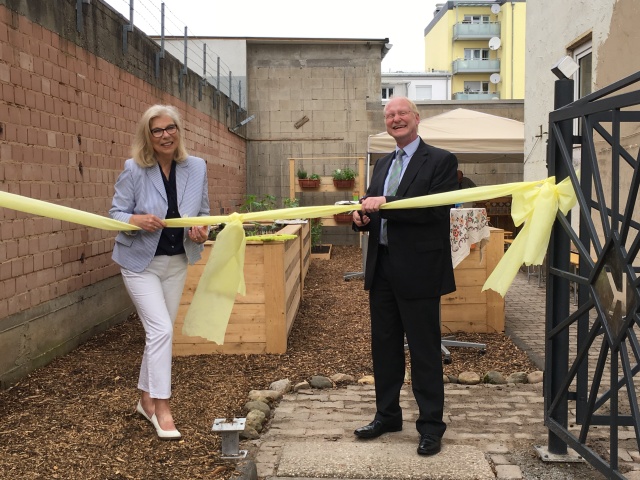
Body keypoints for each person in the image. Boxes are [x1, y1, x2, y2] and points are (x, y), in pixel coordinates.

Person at [352, 97, 458, 456]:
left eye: (401, 114)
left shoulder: (441, 160)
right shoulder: (382, 163)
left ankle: (430, 426)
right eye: (389, 115)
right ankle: (387, 415)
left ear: (416, 118)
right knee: (384, 347)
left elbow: (435, 210)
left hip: (420, 270)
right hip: (382, 268)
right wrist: (361, 219)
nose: (395, 119)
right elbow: (370, 204)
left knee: (425, 351)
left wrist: (386, 204)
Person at [110, 105, 210, 440]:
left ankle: (144, 400)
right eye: (157, 131)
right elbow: (116, 213)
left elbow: (203, 213)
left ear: (179, 131)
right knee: (162, 331)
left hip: (176, 262)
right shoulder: (135, 169)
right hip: (140, 263)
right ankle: (162, 408)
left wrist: (201, 230)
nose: (165, 135)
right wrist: (134, 220)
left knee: (159, 335)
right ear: (147, 136)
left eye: (171, 128)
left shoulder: (196, 167)